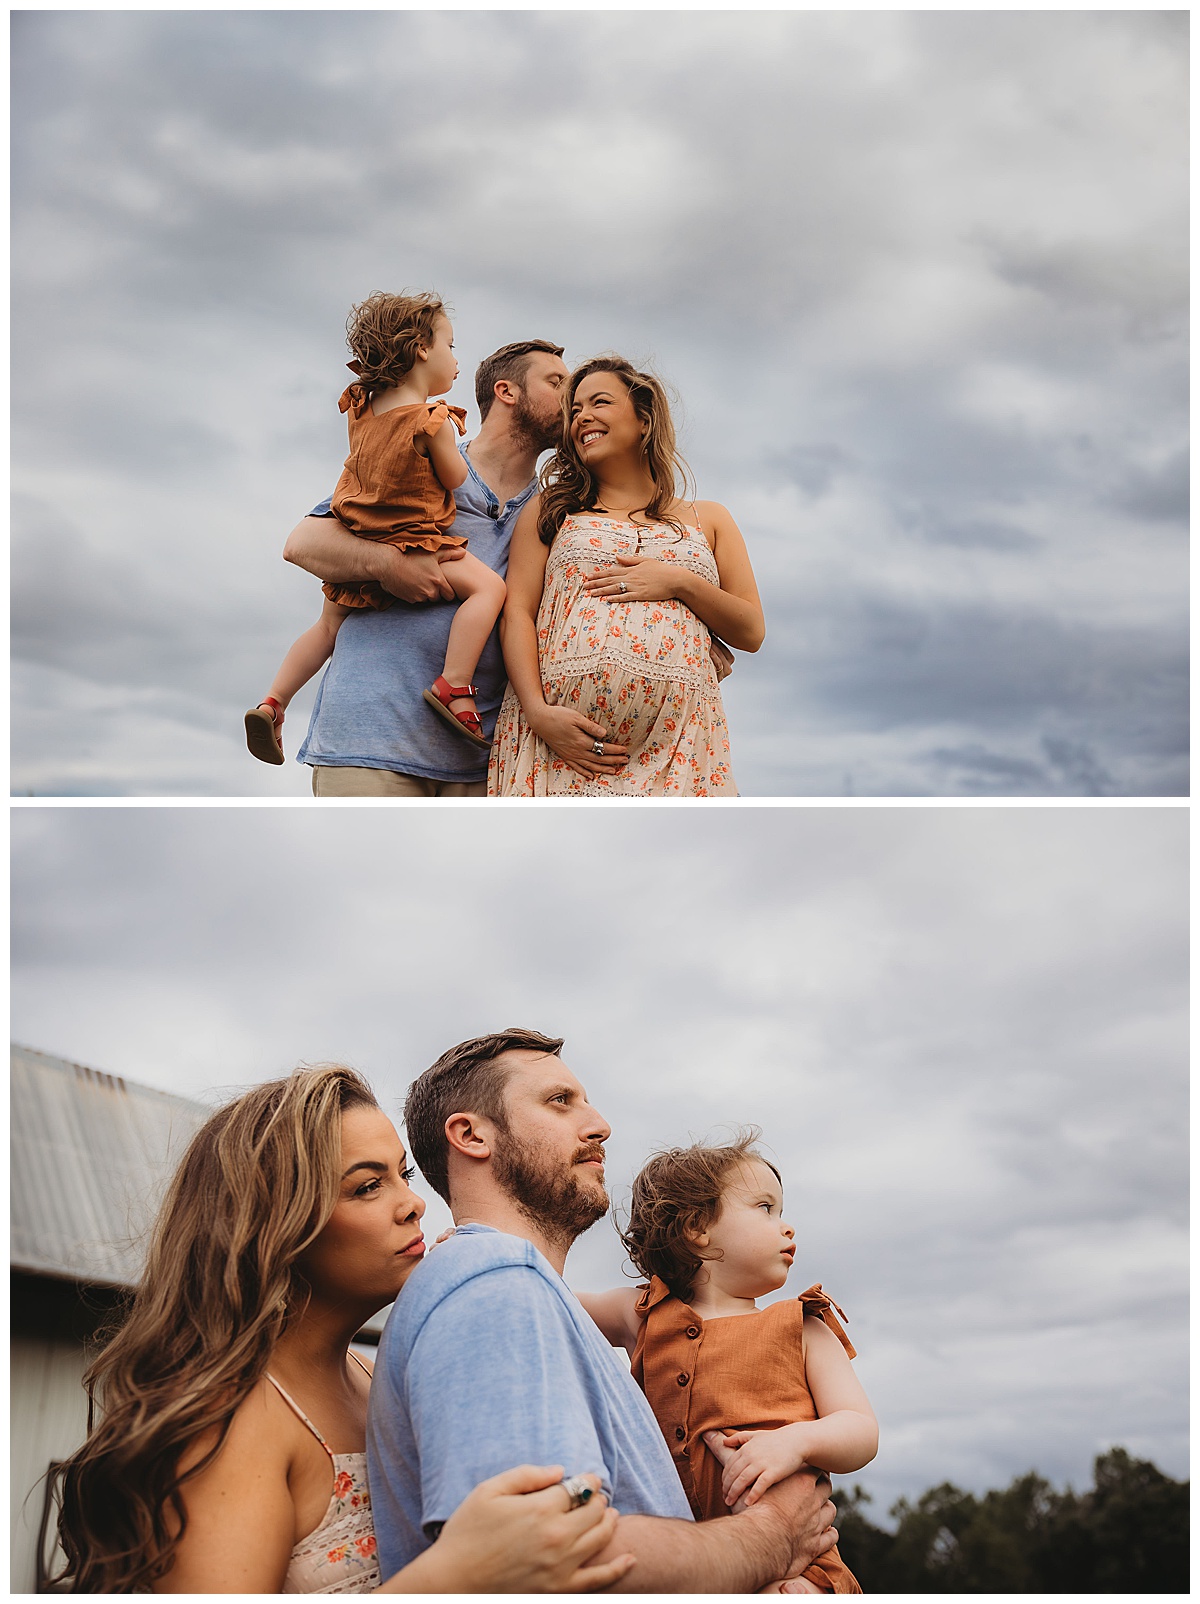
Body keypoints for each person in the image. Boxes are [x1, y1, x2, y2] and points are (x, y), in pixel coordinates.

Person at [53, 1066, 634, 1593]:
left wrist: (626, 1315)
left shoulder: (376, 1372)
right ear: (274, 1224)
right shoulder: (228, 1423)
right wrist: (455, 1575)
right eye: (366, 1186)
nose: (413, 1206)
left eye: (402, 1176)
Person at [367, 1029, 841, 1593]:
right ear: (471, 1135)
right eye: (559, 1101)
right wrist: (771, 1538)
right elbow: (555, 1566)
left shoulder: (523, 1291)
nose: (599, 1124)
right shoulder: (496, 1283)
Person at [579, 1133, 878, 1594]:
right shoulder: (643, 1315)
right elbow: (551, 1301)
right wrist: (486, 1247)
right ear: (698, 1228)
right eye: (765, 1208)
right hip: (678, 1561)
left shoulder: (801, 1326)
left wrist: (796, 1443)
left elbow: (861, 1430)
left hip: (797, 1564)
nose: (787, 1226)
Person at [281, 339, 569, 795]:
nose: (572, 395)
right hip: (371, 744)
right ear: (507, 392)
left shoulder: (555, 511)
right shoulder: (420, 463)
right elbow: (302, 543)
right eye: (557, 382)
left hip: (482, 761)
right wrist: (389, 563)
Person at [246, 292, 506, 765]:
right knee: (489, 590)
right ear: (423, 349)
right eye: (450, 346)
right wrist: (446, 443)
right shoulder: (432, 420)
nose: (456, 360)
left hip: (354, 529)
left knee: (327, 627)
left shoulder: (361, 406)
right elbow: (456, 478)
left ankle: (274, 701)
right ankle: (454, 683)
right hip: (411, 537)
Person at [488, 357, 765, 796]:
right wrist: (538, 713)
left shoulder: (709, 519)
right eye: (574, 410)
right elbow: (517, 614)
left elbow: (751, 630)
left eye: (599, 402)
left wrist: (680, 583)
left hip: (680, 747)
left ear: (644, 420)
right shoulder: (550, 511)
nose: (583, 417)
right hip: (558, 749)